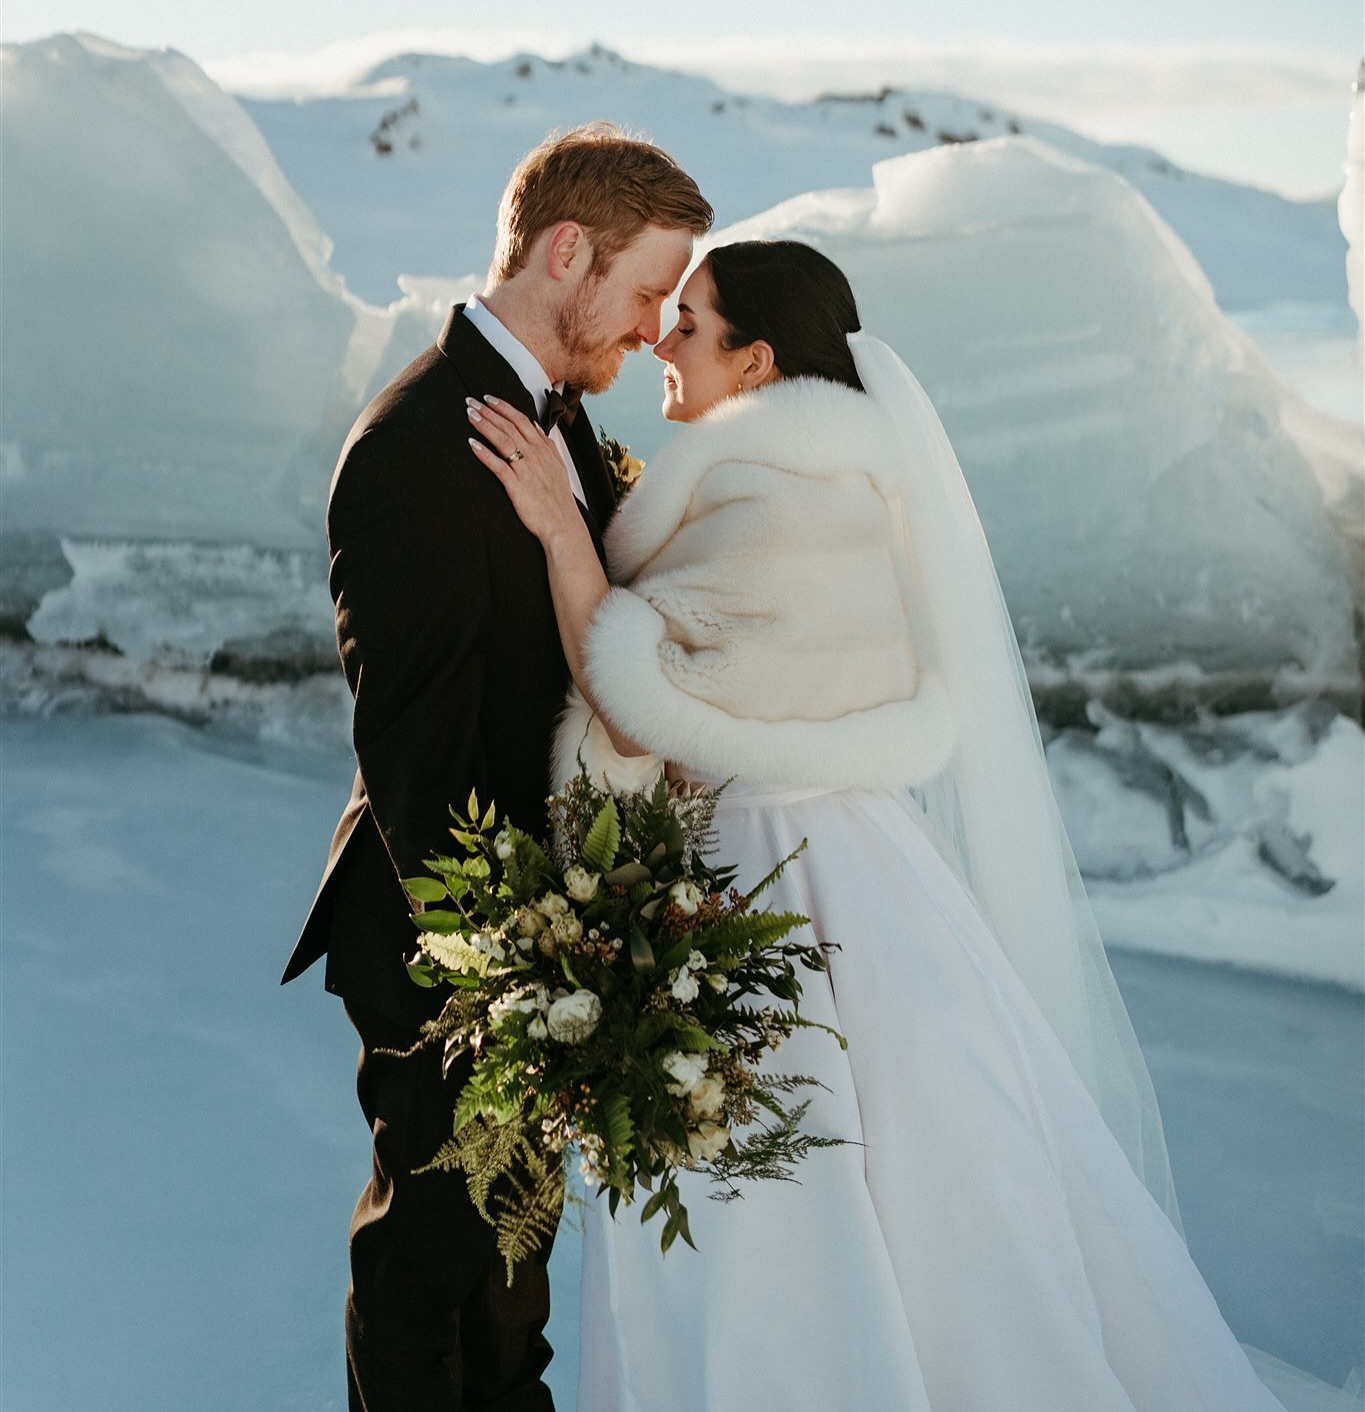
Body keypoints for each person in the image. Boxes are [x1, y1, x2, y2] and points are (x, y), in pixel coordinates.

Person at [465, 238, 1356, 1412]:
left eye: (690, 323)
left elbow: (646, 711)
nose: (662, 344)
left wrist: (566, 538)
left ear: (757, 357)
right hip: (869, 866)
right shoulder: (842, 484)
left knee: (769, 1215)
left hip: (771, 874)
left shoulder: (764, 496)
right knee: (942, 1189)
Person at [280, 123, 713, 1412]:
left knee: (511, 1286)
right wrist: (511, 962)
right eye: (644, 292)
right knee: (429, 1267)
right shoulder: (414, 442)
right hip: (441, 934)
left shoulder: (562, 425)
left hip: (537, 937)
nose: (651, 329)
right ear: (566, 250)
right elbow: (414, 745)